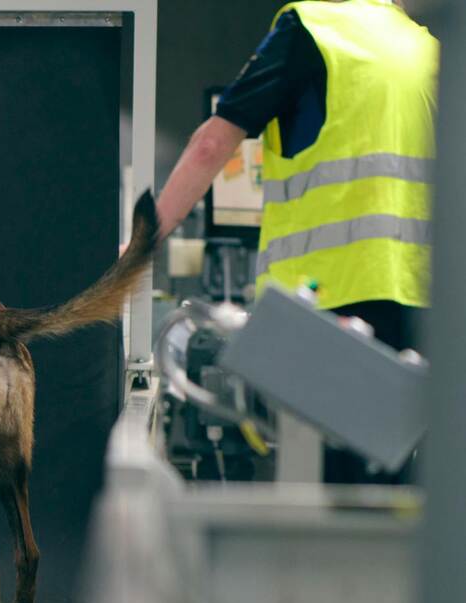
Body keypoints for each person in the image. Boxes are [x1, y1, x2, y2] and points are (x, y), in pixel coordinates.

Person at [156, 0, 438, 481]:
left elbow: (210, 146)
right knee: (397, 489)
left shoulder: (311, 28)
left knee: (327, 490)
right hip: (422, 307)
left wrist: (140, 247)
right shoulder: (428, 49)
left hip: (326, 307)